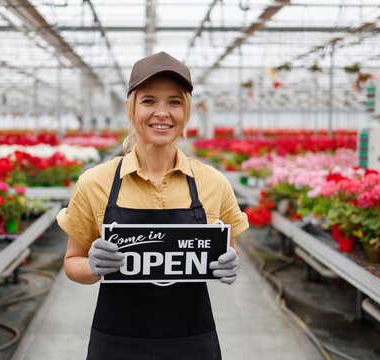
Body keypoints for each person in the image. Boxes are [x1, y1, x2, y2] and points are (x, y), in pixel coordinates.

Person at [57, 51, 249, 360]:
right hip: (117, 343)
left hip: (192, 341)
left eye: (174, 101)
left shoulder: (213, 182)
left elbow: (231, 251)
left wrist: (230, 262)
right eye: (148, 101)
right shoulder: (95, 183)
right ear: (130, 108)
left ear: (187, 111)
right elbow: (71, 262)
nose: (162, 112)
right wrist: (91, 267)